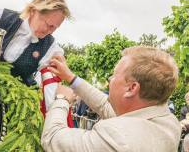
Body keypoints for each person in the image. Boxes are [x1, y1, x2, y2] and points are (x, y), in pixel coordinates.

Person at [41, 46, 181, 152]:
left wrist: (62, 99)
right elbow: (105, 106)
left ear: (132, 88)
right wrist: (71, 78)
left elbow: (53, 138)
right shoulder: (168, 121)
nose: (109, 79)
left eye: (114, 75)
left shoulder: (118, 137)